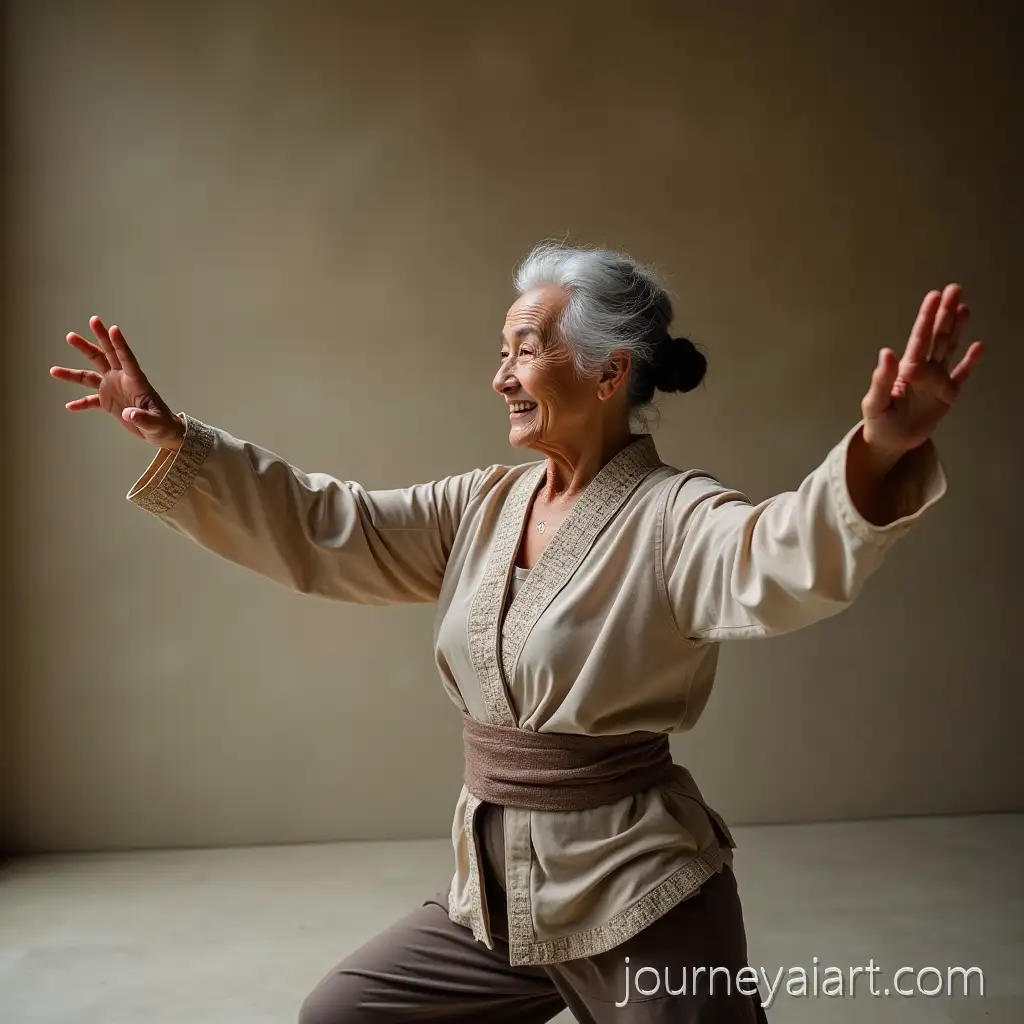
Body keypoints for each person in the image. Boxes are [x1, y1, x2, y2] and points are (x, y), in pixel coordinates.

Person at [49, 241, 983, 1022]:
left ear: (610, 370)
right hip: (500, 897)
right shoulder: (484, 505)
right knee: (343, 1016)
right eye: (501, 351)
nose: (500, 376)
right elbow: (332, 525)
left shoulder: (675, 517)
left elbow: (777, 555)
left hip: (638, 895)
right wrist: (179, 442)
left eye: (524, 350)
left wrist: (879, 453)